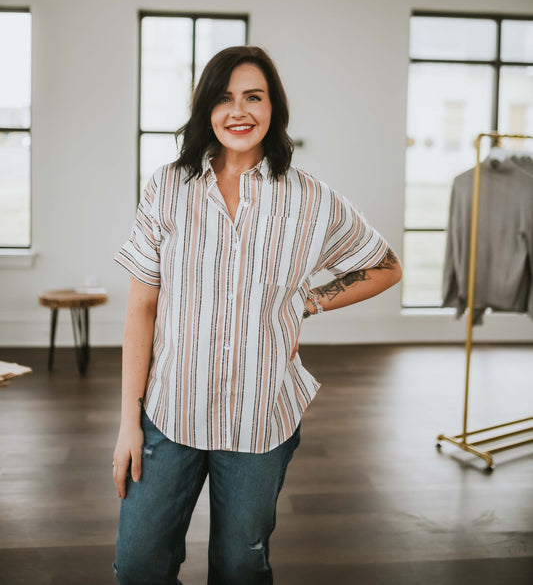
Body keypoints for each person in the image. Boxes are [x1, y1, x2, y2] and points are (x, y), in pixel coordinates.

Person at [112, 45, 402, 585]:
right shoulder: (167, 188)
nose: (238, 110)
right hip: (171, 409)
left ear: (274, 108)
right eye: (224, 98)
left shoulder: (310, 200)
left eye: (253, 96)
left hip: (261, 415)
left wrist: (310, 301)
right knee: (137, 567)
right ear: (206, 109)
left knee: (241, 566)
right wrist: (129, 422)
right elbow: (141, 306)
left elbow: (385, 265)